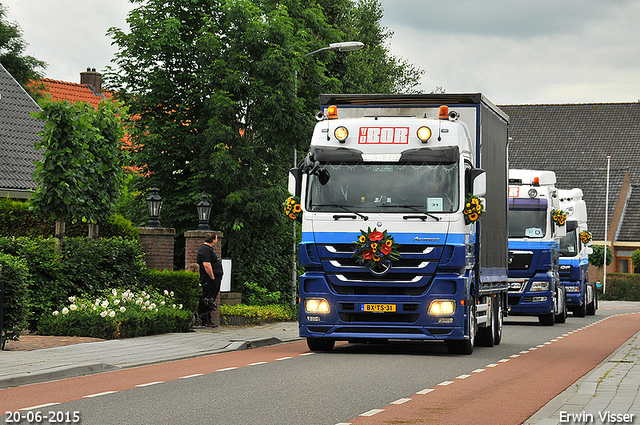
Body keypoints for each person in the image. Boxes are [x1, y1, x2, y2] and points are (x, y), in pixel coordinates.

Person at [196, 232, 223, 327]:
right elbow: (206, 265)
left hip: (214, 279)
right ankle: (204, 320)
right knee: (207, 298)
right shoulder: (205, 249)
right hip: (209, 279)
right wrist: (212, 278)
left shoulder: (209, 249)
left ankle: (208, 319)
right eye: (216, 238)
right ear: (213, 239)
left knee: (210, 299)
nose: (217, 240)